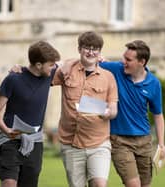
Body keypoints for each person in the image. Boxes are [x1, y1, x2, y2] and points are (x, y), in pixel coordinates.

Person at [64, 40, 165, 187]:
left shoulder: (154, 83)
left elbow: (158, 115)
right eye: (123, 57)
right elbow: (87, 61)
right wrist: (68, 63)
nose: (123, 61)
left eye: (128, 59)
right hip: (120, 141)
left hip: (144, 141)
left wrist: (162, 145)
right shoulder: (116, 69)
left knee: (145, 184)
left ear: (142, 62)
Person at [52, 31, 118, 187]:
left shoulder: (108, 77)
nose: (90, 52)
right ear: (79, 49)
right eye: (86, 48)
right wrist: (21, 70)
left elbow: (114, 109)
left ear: (100, 52)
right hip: (71, 143)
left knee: (100, 185)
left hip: (99, 143)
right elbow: (42, 73)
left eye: (95, 48)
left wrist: (108, 114)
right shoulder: (66, 71)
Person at [0, 41, 60, 187]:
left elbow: (71, 64)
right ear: (39, 65)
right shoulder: (13, 79)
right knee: (9, 183)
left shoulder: (49, 74)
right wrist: (7, 130)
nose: (54, 67)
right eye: (51, 64)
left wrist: (101, 59)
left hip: (35, 143)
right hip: (10, 140)